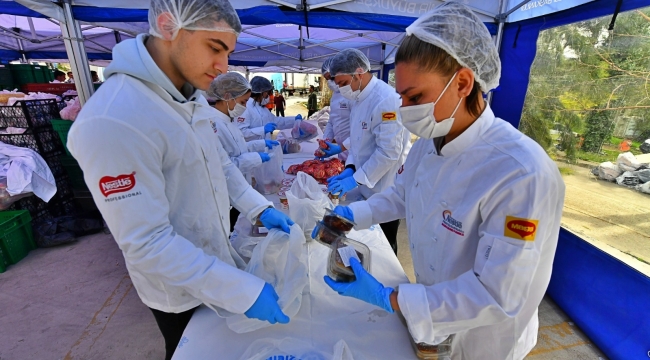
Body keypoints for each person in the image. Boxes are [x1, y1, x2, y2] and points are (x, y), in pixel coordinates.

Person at [319, 3, 565, 359]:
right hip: (433, 312)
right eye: (401, 96)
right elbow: (401, 196)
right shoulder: (430, 145)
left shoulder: (521, 174)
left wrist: (390, 297)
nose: (404, 110)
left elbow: (497, 294)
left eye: (415, 97)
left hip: (484, 338)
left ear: (463, 82)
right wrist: (351, 216)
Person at [67, 2, 294, 359]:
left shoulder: (190, 100)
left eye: (229, 53)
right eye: (214, 48)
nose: (223, 67)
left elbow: (219, 164)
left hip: (218, 262)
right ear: (168, 25)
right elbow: (146, 242)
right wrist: (241, 290)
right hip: (178, 289)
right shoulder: (115, 119)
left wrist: (258, 208)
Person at [317, 48, 411, 254]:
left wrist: (356, 178)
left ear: (359, 73)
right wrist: (350, 167)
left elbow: (389, 152)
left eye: (342, 83)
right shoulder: (358, 98)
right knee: (365, 241)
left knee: (384, 246)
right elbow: (358, 141)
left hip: (384, 187)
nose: (341, 89)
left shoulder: (386, 101)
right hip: (364, 182)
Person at [207, 72, 280, 230]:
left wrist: (261, 144)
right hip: (226, 193)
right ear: (227, 96)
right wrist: (256, 158)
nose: (245, 106)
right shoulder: (213, 125)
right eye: (243, 101)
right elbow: (223, 165)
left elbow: (240, 148)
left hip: (239, 189)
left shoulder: (228, 120)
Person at [238, 76, 302, 141]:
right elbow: (241, 133)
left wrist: (294, 120)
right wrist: (262, 130)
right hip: (251, 149)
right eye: (267, 93)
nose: (268, 96)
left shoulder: (262, 108)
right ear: (261, 92)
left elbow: (276, 121)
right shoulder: (245, 107)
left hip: (264, 147)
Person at [321, 56, 353, 162]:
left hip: (354, 150)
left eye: (331, 78)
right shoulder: (335, 96)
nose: (330, 82)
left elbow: (361, 130)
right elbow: (332, 121)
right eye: (327, 79)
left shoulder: (352, 94)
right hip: (341, 152)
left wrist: (342, 147)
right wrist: (325, 141)